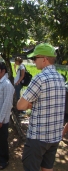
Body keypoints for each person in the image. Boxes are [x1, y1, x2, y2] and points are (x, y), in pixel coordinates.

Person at [17, 43, 66, 171]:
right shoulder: (61, 78)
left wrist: (30, 104)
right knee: (47, 168)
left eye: (35, 58)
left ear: (44, 59)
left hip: (38, 137)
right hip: (54, 136)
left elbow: (20, 105)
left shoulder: (40, 78)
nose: (33, 61)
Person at [0, 62, 14, 170]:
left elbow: (7, 104)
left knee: (2, 140)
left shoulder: (7, 85)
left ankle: (4, 160)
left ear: (3, 71)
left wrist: (0, 120)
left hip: (2, 119)